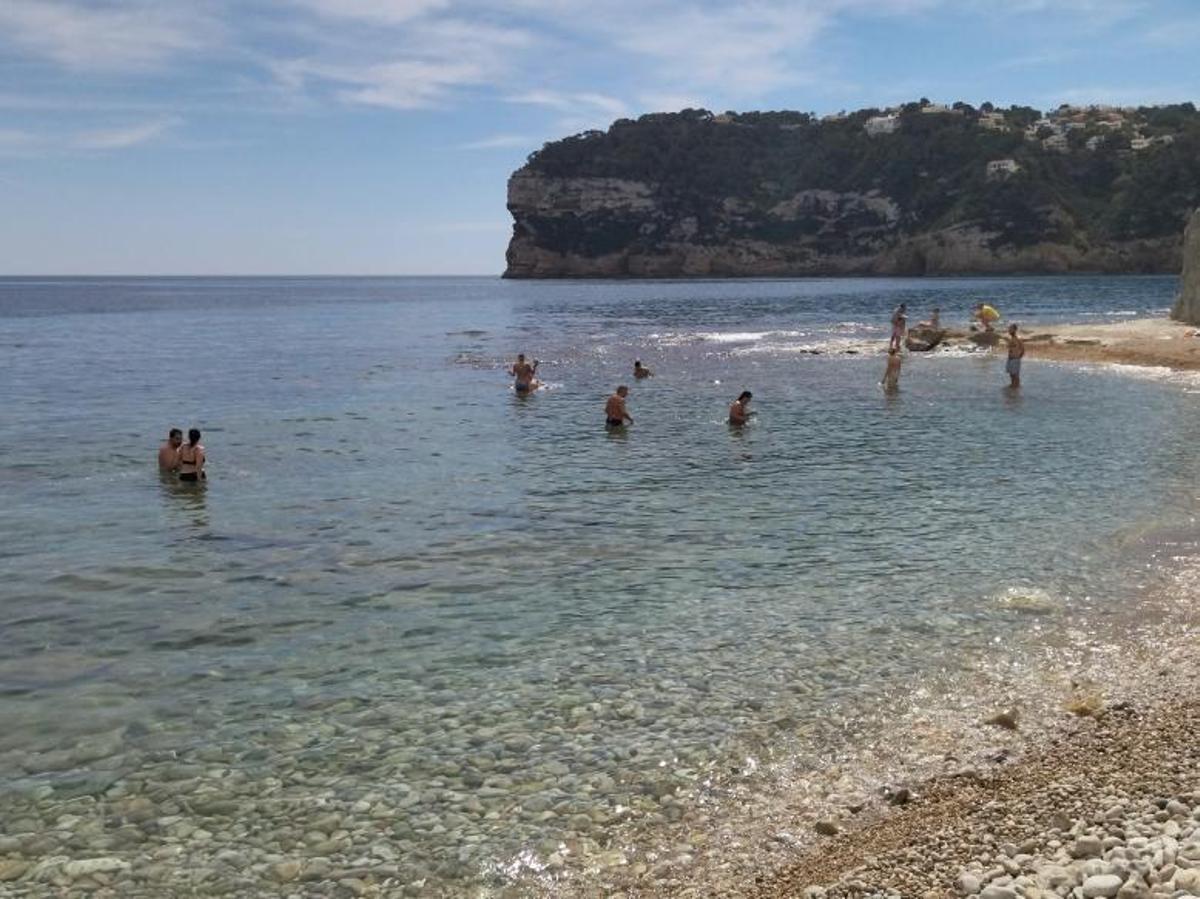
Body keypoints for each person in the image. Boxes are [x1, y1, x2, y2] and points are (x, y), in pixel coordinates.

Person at [1006, 323, 1025, 387]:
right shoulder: (1010, 339)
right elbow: (1010, 348)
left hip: (1015, 359)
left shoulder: (1018, 338)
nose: (1009, 330)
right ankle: (1013, 387)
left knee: (1015, 375)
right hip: (1010, 359)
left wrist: (1019, 357)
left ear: (1014, 330)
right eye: (1009, 329)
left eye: (1010, 329)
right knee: (1011, 374)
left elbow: (1022, 349)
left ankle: (1017, 387)